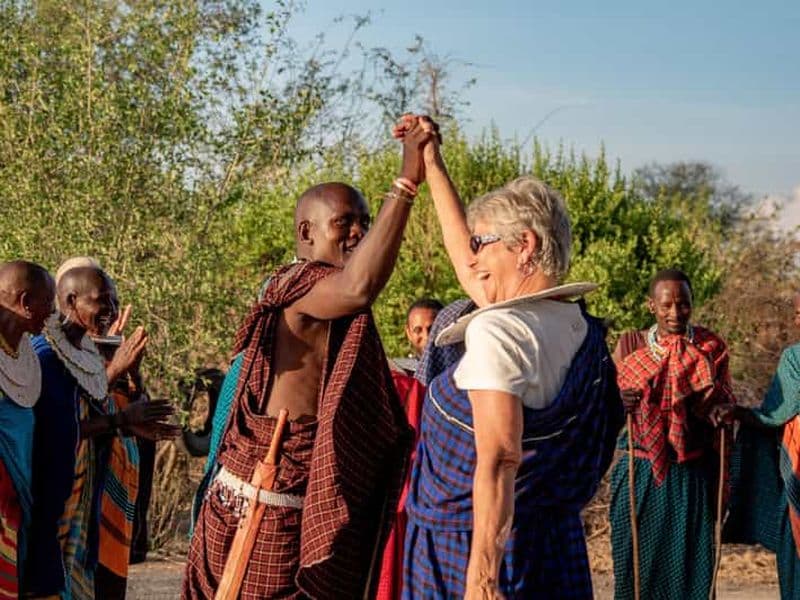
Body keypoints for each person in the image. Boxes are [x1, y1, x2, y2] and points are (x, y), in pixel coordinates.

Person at [183, 124, 432, 599]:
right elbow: (361, 286)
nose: (359, 232)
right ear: (306, 233)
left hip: (290, 503)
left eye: (364, 220)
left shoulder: (324, 300)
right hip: (265, 507)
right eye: (346, 223)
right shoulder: (297, 288)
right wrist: (406, 181)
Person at [395, 115, 622, 598]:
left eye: (482, 243)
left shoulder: (500, 331)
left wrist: (481, 581)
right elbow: (470, 269)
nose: (472, 256)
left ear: (526, 247)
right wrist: (432, 162)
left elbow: (499, 457)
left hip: (476, 550)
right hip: (552, 545)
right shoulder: (577, 327)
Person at [23, 265, 176, 599]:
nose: (112, 310)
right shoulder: (44, 356)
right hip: (51, 509)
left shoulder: (85, 354)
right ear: (70, 300)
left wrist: (129, 390)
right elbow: (52, 435)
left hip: (81, 507)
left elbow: (93, 407)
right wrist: (118, 417)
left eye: (115, 300)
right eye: (102, 300)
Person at [609, 268, 736, 600]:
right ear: (652, 306)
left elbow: (723, 402)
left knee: (691, 573)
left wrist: (721, 412)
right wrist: (617, 401)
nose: (675, 313)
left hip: (690, 475)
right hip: (640, 474)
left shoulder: (711, 347)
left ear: (693, 303)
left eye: (683, 304)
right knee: (635, 571)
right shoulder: (630, 345)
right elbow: (602, 406)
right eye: (666, 306)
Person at [723, 292, 800, 599]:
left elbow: (775, 415)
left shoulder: (795, 358)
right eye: (797, 313)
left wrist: (736, 412)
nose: (798, 319)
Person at [0, 260, 55, 598]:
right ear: (25, 302)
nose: (53, 312)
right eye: (48, 301)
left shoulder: (25, 356)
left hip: (13, 506)